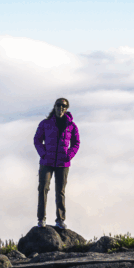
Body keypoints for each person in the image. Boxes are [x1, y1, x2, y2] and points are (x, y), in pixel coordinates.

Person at [33, 98, 80, 229]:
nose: (61, 107)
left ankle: (60, 220)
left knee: (60, 192)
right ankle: (41, 219)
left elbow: (76, 143)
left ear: (66, 109)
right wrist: (43, 154)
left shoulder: (72, 126)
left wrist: (69, 156)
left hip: (63, 164)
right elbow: (37, 140)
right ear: (54, 107)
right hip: (46, 162)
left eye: (64, 106)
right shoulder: (45, 123)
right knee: (43, 189)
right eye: (59, 105)